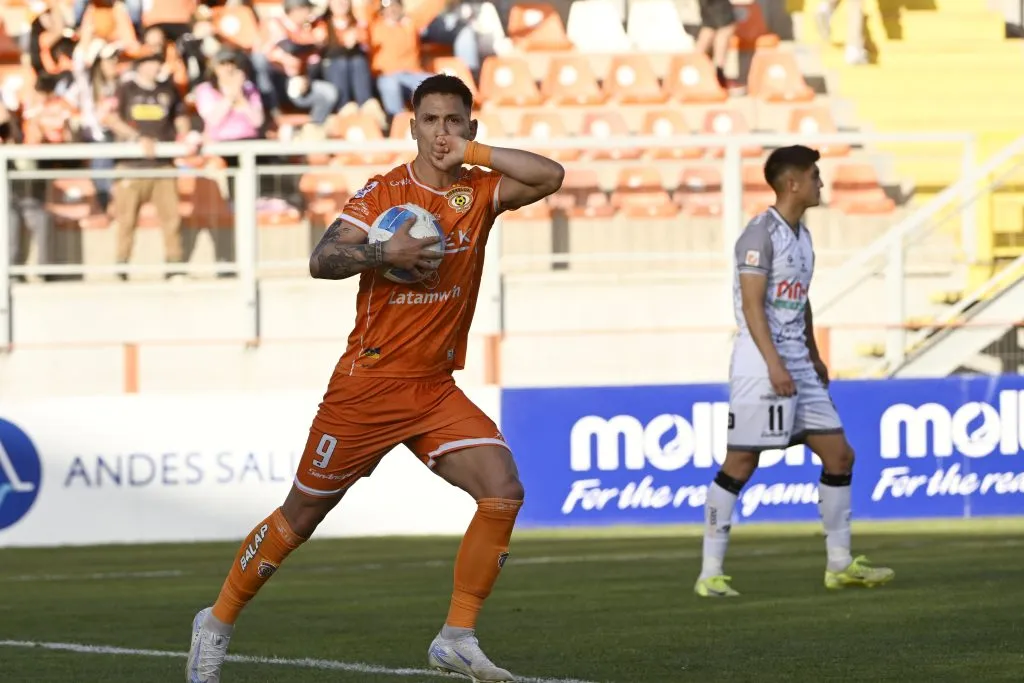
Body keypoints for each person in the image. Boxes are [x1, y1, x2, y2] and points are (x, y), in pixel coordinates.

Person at [185, 73, 565, 683]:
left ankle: (456, 637)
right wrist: (386, 253)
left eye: (454, 121)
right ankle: (216, 621)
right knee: (300, 517)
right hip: (367, 385)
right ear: (411, 126)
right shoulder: (384, 193)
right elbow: (322, 260)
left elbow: (550, 176)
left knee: (503, 488)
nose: (441, 132)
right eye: (430, 120)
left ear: (470, 126)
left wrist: (474, 154)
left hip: (433, 388)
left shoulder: (479, 191)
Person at [693, 145, 894, 598]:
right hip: (761, 365)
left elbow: (799, 300)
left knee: (840, 456)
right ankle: (710, 573)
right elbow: (752, 306)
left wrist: (813, 354)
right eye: (815, 176)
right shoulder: (758, 235)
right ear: (793, 183)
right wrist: (774, 364)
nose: (821, 183)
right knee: (741, 463)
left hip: (798, 362)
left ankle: (840, 565)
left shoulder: (802, 236)